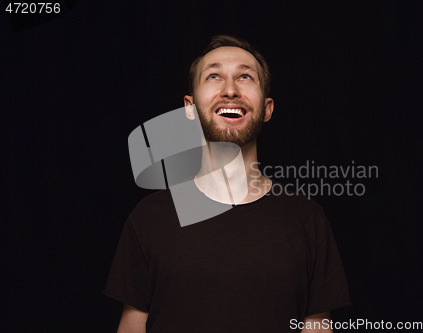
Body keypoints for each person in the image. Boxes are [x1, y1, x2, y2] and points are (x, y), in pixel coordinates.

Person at [103, 35, 352, 332]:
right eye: (214, 76)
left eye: (245, 77)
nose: (230, 90)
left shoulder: (306, 218)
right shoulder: (148, 218)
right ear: (190, 108)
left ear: (268, 108)